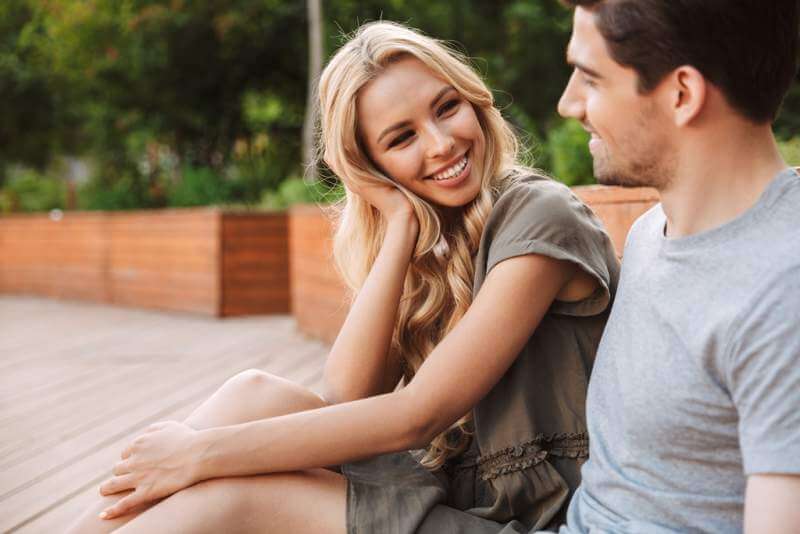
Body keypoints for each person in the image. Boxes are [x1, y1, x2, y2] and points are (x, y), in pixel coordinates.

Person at [66, 21, 619, 534]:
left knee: (226, 497)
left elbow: (415, 416)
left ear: (473, 100)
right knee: (253, 393)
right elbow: (347, 395)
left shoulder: (540, 215)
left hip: (540, 521)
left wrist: (198, 455)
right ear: (370, 165)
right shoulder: (435, 239)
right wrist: (400, 224)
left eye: (446, 108)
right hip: (463, 498)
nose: (440, 144)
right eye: (400, 139)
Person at [554, 1, 800, 532]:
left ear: (682, 94)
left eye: (591, 80)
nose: (567, 104)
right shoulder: (652, 231)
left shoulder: (783, 294)